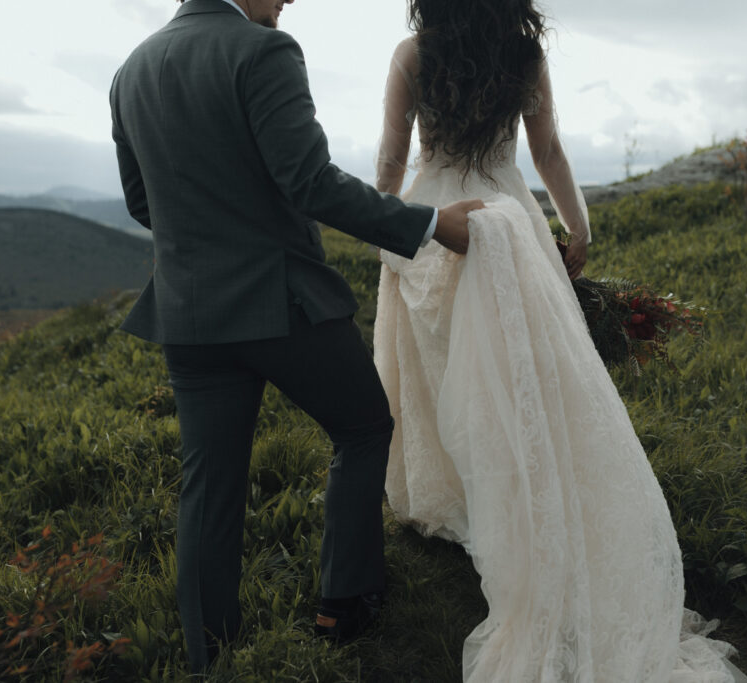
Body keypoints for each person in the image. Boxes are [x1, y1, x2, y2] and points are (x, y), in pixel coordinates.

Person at [373, 1, 747, 680]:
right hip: (510, 217)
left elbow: (391, 161)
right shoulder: (525, 53)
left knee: (439, 369)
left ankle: (462, 498)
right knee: (520, 372)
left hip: (435, 218)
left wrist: (387, 230)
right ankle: (517, 487)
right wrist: (578, 226)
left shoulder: (413, 54)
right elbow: (546, 150)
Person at [109, 0, 482, 673]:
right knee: (365, 424)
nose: (286, 1)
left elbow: (143, 201)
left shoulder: (132, 70)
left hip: (190, 314)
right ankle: (344, 601)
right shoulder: (263, 51)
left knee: (209, 483)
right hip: (280, 303)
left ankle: (210, 656)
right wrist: (428, 226)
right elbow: (311, 182)